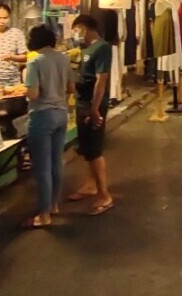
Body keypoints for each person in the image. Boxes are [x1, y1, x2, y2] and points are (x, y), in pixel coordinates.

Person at [22, 25, 75, 228]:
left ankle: (43, 215)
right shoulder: (63, 58)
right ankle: (53, 205)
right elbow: (71, 88)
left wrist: (26, 88)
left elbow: (33, 94)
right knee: (56, 162)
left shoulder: (34, 62)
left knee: (42, 167)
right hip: (61, 114)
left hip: (42, 116)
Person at [68, 15, 115, 215]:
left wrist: (95, 109)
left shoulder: (102, 48)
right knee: (86, 147)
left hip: (92, 105)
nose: (75, 34)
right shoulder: (86, 49)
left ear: (85, 28)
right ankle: (90, 185)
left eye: (76, 29)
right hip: (82, 102)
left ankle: (104, 195)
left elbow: (101, 81)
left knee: (94, 149)